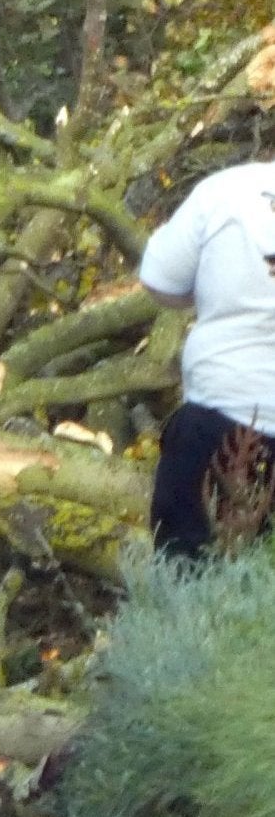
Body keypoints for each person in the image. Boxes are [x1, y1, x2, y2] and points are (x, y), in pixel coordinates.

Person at [138, 158, 275, 558]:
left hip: (215, 421)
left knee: (187, 577)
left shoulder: (224, 190)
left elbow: (159, 280)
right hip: (225, 418)